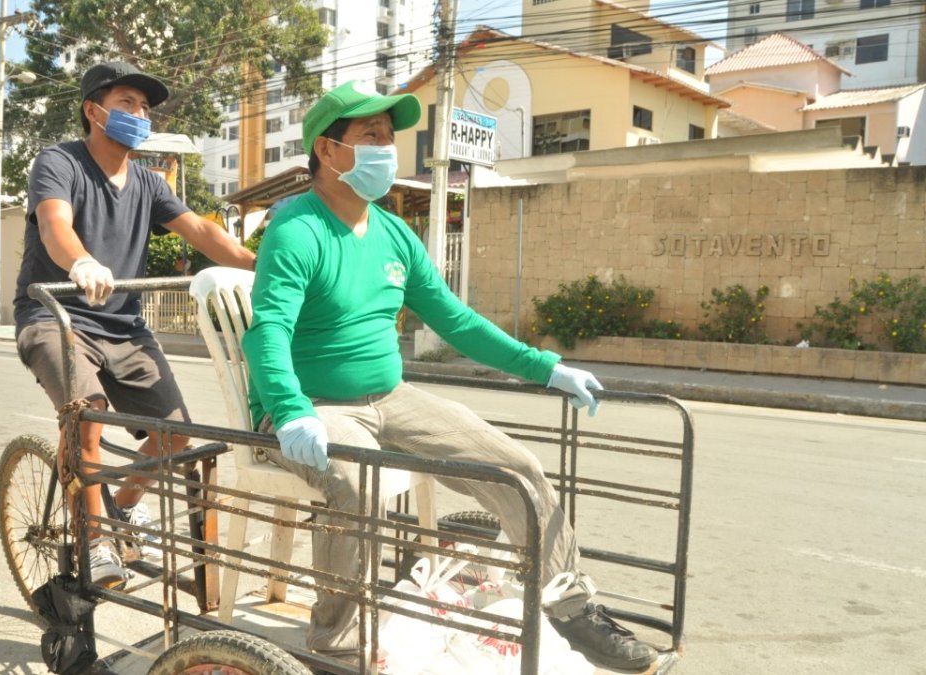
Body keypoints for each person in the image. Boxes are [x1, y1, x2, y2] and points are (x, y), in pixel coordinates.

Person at [241, 80, 657, 672]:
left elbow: (456, 321)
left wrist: (546, 368)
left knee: (518, 468)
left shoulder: (392, 233)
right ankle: (334, 646)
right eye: (371, 136)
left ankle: (573, 608)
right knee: (356, 487)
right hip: (314, 407)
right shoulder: (297, 230)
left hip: (391, 396)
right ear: (328, 152)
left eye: (389, 135)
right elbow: (267, 332)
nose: (387, 147)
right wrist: (288, 408)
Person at [13, 61, 256, 588]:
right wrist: (80, 261)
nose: (140, 115)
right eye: (127, 103)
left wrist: (259, 263)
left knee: (175, 436)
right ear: (93, 110)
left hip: (123, 326)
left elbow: (200, 231)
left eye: (145, 108)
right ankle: (94, 542)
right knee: (89, 417)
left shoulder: (148, 181)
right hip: (56, 316)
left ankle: (118, 509)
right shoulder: (58, 162)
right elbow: (56, 224)